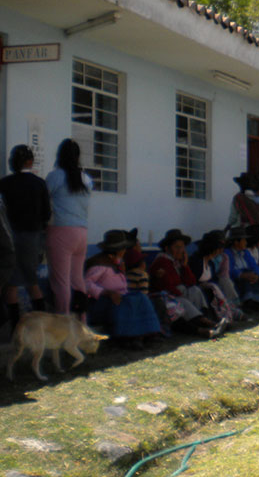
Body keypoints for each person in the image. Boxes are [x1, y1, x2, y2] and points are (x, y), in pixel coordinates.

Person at [0, 145, 51, 325]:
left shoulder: (4, 183)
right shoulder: (39, 183)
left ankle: (16, 328)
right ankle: (41, 326)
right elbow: (47, 214)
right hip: (32, 238)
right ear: (30, 162)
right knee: (32, 282)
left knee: (11, 285)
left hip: (9, 238)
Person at [84, 230, 162, 347]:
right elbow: (86, 284)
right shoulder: (100, 264)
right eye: (124, 248)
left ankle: (147, 333)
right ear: (118, 250)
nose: (125, 251)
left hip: (119, 297)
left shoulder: (118, 262)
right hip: (102, 302)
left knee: (140, 298)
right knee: (127, 302)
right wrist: (107, 292)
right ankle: (128, 336)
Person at [45, 139, 92, 316]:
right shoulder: (86, 179)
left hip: (60, 232)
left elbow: (43, 199)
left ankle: (62, 321)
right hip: (82, 233)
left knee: (61, 282)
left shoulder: (55, 176)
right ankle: (81, 321)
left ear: (60, 155)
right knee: (78, 280)